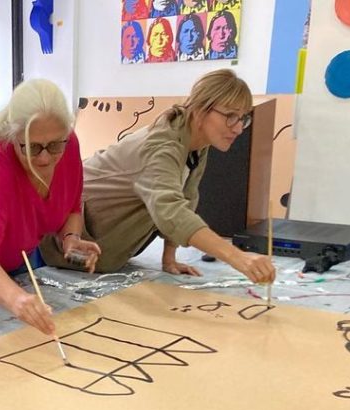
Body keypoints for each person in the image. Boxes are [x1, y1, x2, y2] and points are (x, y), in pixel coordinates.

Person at [63, 70, 274, 284]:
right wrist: (237, 257)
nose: (238, 128)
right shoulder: (162, 146)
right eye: (230, 116)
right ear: (201, 109)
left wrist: (169, 258)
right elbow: (170, 210)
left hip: (108, 247)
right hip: (73, 236)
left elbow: (187, 196)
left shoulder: (195, 140)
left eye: (243, 118)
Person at [0, 79, 101, 337]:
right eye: (32, 147)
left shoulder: (69, 146)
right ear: (14, 138)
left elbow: (72, 205)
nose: (45, 158)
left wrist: (71, 238)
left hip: (22, 245)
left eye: (55, 145)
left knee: (30, 330)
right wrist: (17, 300)